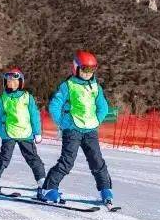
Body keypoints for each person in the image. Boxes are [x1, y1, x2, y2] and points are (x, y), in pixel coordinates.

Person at [40, 51, 114, 207]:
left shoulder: (96, 87)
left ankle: (105, 189)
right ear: (76, 68)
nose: (88, 74)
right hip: (72, 129)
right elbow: (55, 105)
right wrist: (63, 123)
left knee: (97, 161)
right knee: (67, 161)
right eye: (85, 70)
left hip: (90, 130)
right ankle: (48, 189)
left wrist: (96, 121)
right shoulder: (68, 85)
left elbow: (103, 107)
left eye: (91, 70)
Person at [0, 68, 47, 198]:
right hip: (9, 134)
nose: (11, 83)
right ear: (5, 83)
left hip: (26, 134)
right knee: (4, 158)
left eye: (15, 81)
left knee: (33, 158)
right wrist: (3, 133)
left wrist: (37, 132)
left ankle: (43, 183)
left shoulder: (27, 97)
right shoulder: (2, 99)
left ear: (20, 83)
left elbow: (34, 115)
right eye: (9, 81)